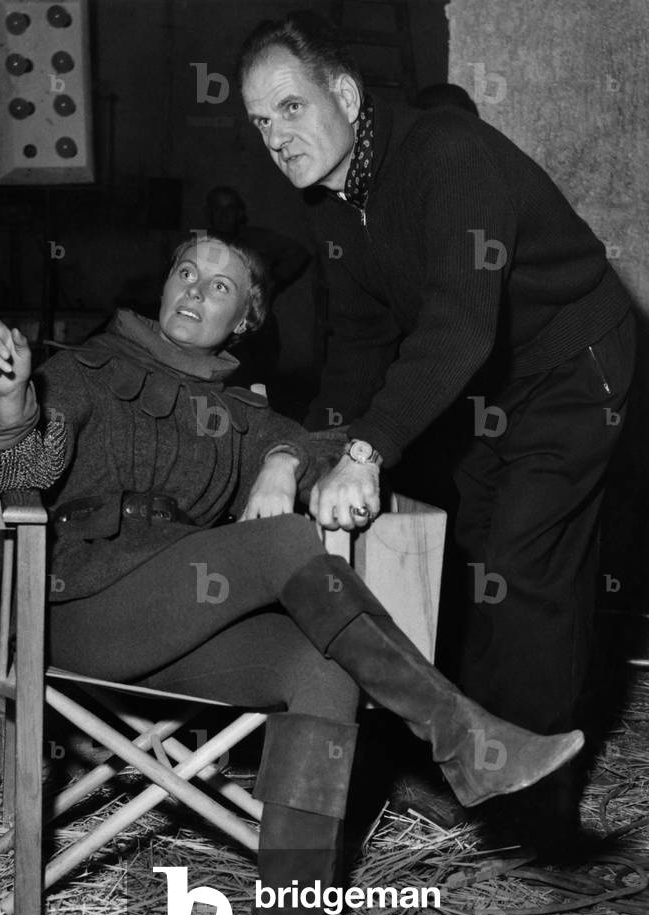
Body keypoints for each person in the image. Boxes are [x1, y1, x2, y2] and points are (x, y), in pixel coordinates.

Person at [0, 234, 584, 915]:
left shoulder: (242, 414)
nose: (194, 291)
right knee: (284, 542)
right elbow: (21, 475)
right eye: (185, 271)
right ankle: (460, 734)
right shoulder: (83, 368)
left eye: (221, 287)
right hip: (79, 606)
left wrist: (281, 460)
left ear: (245, 321)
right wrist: (10, 396)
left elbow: (322, 442)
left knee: (323, 667)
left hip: (177, 617)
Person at [236, 11, 636, 853]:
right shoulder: (337, 206)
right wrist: (298, 454)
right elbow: (357, 353)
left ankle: (537, 814)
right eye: (260, 122)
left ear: (342, 94)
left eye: (291, 108)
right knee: (476, 553)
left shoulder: (445, 156)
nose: (276, 135)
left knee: (529, 562)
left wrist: (366, 452)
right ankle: (484, 766)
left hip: (570, 363)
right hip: (490, 378)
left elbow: (456, 326)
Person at [203, 184, 310, 394]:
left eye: (230, 208)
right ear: (209, 213)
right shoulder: (200, 243)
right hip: (214, 326)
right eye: (217, 209)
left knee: (257, 385)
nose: (224, 215)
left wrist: (273, 282)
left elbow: (298, 253)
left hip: (255, 329)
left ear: (240, 213)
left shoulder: (257, 239)